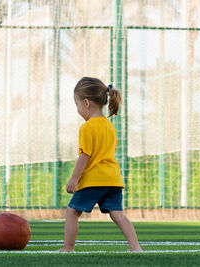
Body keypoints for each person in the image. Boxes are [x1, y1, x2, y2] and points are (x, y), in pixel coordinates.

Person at [59, 77, 142, 252]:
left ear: (86, 103)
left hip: (94, 180)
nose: (77, 109)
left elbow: (85, 156)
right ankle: (135, 247)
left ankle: (68, 248)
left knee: (72, 212)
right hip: (113, 180)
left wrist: (74, 179)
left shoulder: (87, 127)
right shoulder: (110, 126)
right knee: (118, 215)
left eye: (77, 104)